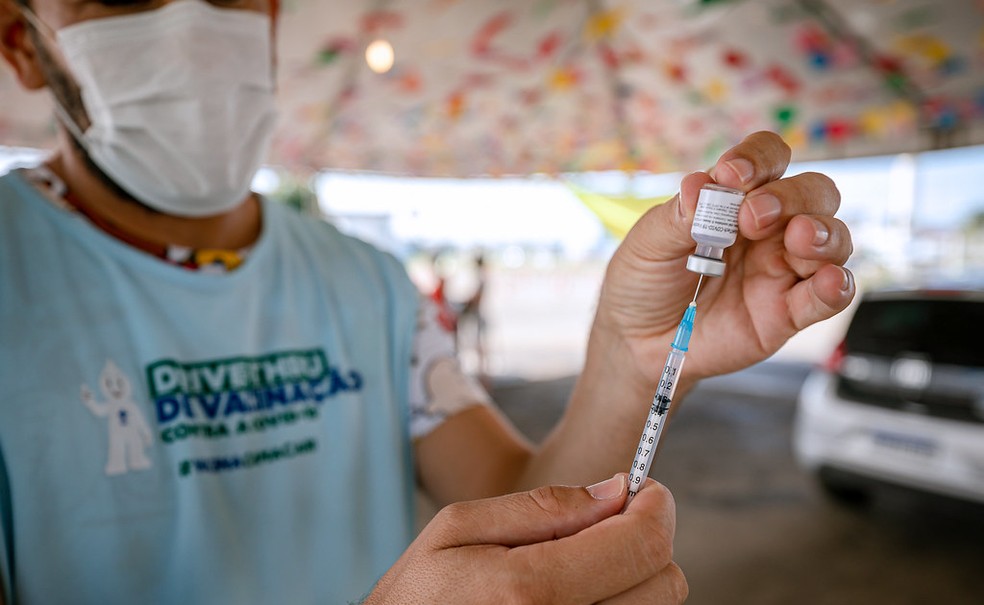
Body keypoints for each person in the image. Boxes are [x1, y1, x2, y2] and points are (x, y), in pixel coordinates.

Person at [0, 0, 855, 603]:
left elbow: (520, 501)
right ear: (22, 42)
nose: (187, 28)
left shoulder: (368, 285)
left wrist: (630, 356)